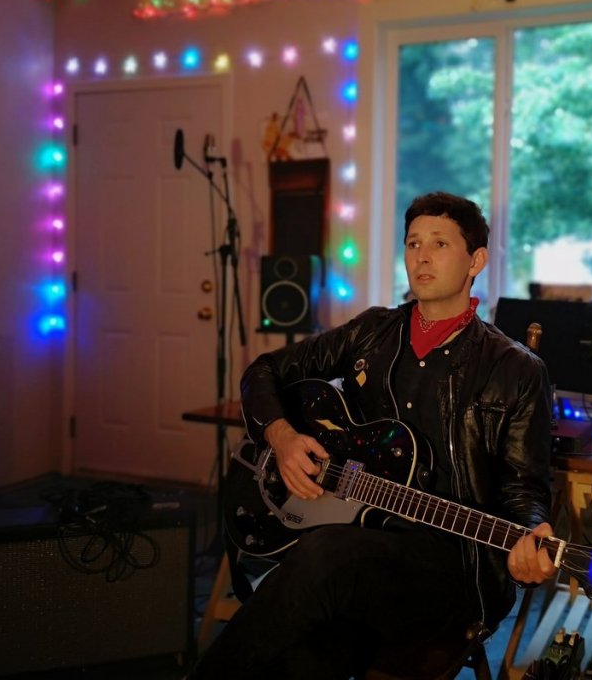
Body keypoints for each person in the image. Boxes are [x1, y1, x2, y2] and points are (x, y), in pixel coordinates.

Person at [192, 191, 556, 679]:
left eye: (440, 244)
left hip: (452, 568)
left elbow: (524, 490)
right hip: (357, 547)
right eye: (413, 243)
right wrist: (281, 438)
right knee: (304, 654)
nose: (421, 256)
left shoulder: (516, 369)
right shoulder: (372, 332)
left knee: (323, 557)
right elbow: (264, 371)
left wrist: (530, 539)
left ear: (476, 261)